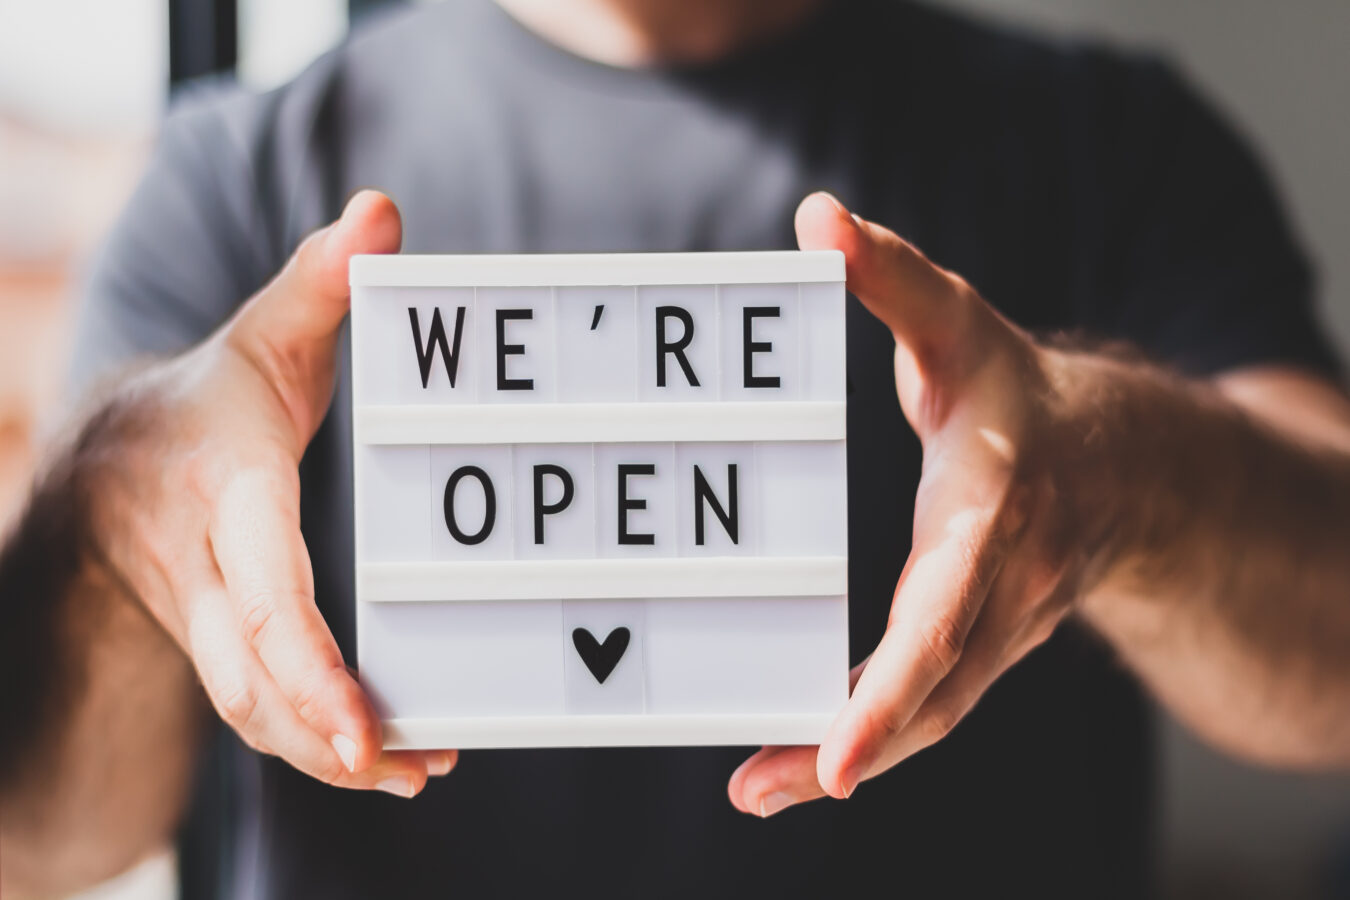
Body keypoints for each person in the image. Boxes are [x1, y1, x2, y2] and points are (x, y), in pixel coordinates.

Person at [4, 0, 1350, 896]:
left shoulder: (1106, 146)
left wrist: (1133, 480)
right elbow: (42, 835)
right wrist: (104, 529)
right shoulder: (229, 183)